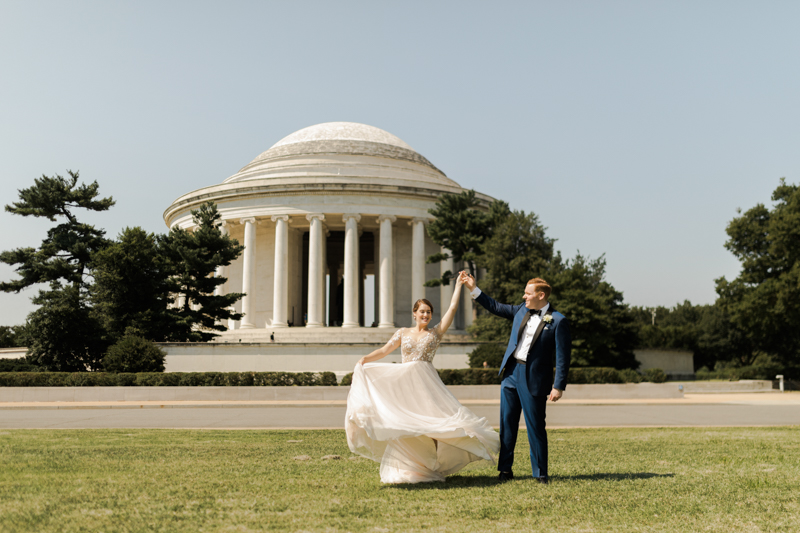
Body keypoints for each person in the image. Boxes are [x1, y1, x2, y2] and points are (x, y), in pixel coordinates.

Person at [345, 271, 500, 484]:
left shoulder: (435, 333)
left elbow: (452, 309)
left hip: (427, 384)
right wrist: (365, 359)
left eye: (429, 312)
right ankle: (410, 466)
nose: (426, 316)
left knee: (434, 427)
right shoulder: (402, 332)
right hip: (406, 383)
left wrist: (457, 287)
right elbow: (385, 350)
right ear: (414, 313)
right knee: (407, 425)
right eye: (423, 312)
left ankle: (432, 465)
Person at [460, 272, 570, 484]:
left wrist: (559, 386)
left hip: (534, 379)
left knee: (535, 427)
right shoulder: (521, 311)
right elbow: (495, 306)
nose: (523, 297)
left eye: (527, 293)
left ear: (541, 295)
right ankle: (505, 470)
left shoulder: (558, 321)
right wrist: (473, 288)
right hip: (510, 374)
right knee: (507, 424)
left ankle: (540, 474)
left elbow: (563, 357)